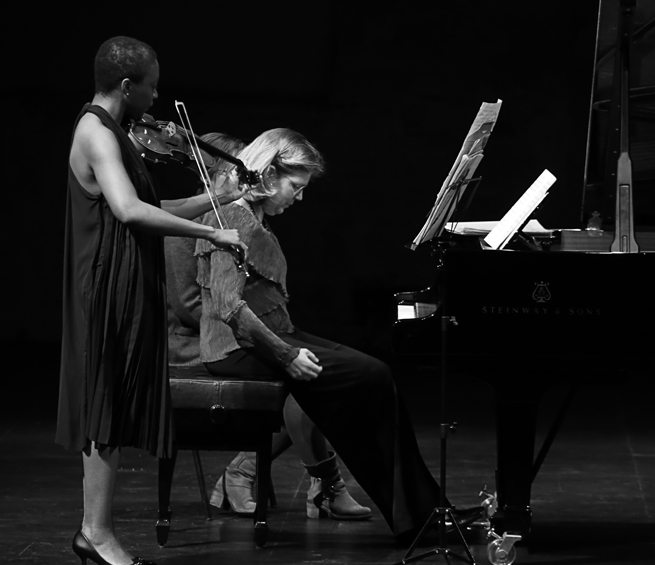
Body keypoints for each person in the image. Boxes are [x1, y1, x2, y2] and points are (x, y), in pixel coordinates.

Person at [196, 128, 467, 539]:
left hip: (268, 337)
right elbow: (229, 308)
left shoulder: (251, 215)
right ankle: (414, 516)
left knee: (374, 374)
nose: (300, 197)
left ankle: (422, 510)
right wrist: (286, 355)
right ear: (268, 174)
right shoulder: (233, 217)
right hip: (236, 349)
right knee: (368, 377)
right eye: (296, 186)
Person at [56, 36, 247, 565]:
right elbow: (129, 211)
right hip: (104, 283)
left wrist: (219, 201)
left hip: (122, 277)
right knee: (104, 404)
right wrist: (214, 233)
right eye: (152, 86)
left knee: (112, 403)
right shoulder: (96, 132)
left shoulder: (112, 130)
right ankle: (95, 532)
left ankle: (96, 530)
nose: (157, 98)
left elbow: (151, 205)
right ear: (126, 85)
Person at [164, 132, 370, 519]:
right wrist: (259, 333)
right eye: (234, 171)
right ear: (214, 173)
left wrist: (264, 327)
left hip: (237, 331)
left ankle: (310, 483)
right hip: (197, 341)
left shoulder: (244, 217)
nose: (243, 180)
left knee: (314, 371)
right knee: (306, 381)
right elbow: (190, 306)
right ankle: (296, 479)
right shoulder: (189, 224)